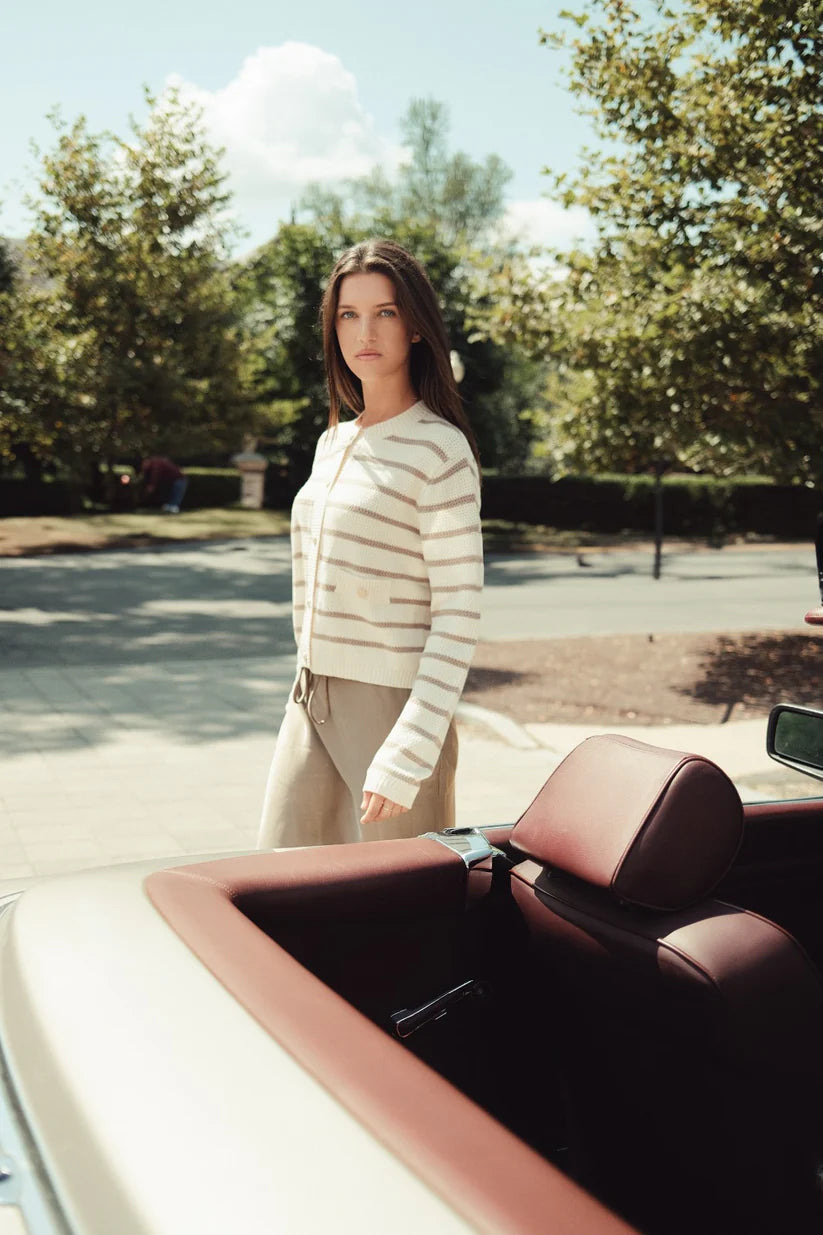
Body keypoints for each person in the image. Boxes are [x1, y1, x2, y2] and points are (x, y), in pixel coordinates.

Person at [257, 238, 483, 848]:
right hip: (310, 696)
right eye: (348, 315)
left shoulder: (440, 451)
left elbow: (458, 614)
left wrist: (409, 749)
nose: (366, 331)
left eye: (385, 311)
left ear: (415, 325)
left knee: (392, 920)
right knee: (280, 882)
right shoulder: (331, 443)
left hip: (392, 714)